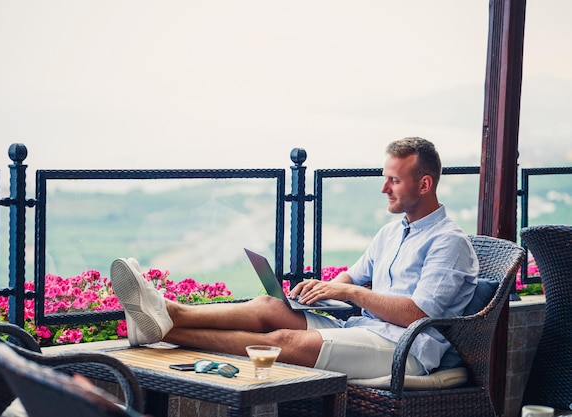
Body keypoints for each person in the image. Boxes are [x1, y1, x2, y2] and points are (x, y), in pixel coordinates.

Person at [109, 137, 478, 379]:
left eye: (393, 180)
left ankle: (163, 325)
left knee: (284, 339)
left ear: (425, 184)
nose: (384, 188)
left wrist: (350, 295)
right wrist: (321, 289)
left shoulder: (449, 243)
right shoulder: (392, 233)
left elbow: (420, 314)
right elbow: (351, 279)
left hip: (407, 350)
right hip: (364, 332)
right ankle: (168, 313)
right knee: (269, 306)